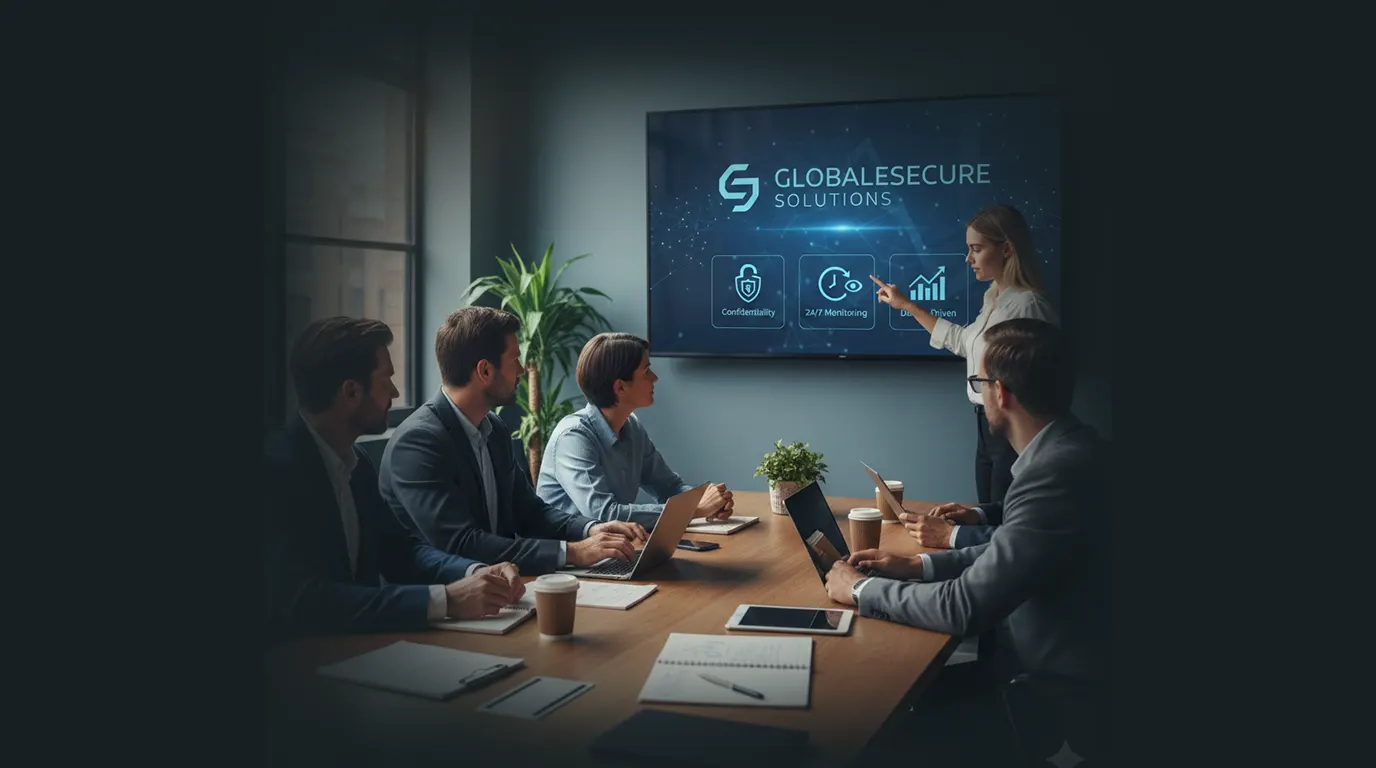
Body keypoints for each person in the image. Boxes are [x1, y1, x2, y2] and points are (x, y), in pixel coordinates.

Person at [823, 318, 1107, 760]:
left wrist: (858, 589)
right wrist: (917, 566)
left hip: (1058, 699)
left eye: (978, 381)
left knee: (860, 725)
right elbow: (1011, 546)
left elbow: (963, 607)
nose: (978, 393)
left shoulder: (1054, 473)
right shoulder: (1072, 449)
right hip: (1042, 676)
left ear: (1002, 392)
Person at [265, 317, 524, 639]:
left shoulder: (354, 462)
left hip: (361, 650)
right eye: (386, 379)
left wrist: (475, 571)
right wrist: (446, 599)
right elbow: (305, 600)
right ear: (351, 392)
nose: (396, 391)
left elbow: (403, 551)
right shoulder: (276, 471)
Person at [379, 307, 648, 576]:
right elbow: (461, 543)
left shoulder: (493, 428)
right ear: (485, 370)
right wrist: (574, 552)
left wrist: (590, 529)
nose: (522, 370)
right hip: (449, 601)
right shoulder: (418, 443)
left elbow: (530, 512)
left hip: (505, 587)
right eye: (515, 360)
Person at [870, 204, 1060, 526]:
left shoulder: (1028, 306)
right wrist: (906, 306)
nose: (968, 259)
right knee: (987, 516)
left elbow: (1040, 380)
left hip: (1014, 428)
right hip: (988, 427)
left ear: (1007, 248)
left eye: (976, 249)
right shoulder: (994, 298)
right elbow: (963, 342)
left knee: (1008, 521)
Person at [536, 332, 733, 530]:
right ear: (620, 387)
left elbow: (669, 486)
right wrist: (694, 510)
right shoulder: (573, 438)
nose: (655, 378)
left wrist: (709, 501)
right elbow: (604, 514)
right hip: (572, 556)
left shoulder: (631, 427)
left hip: (613, 550)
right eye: (646, 371)